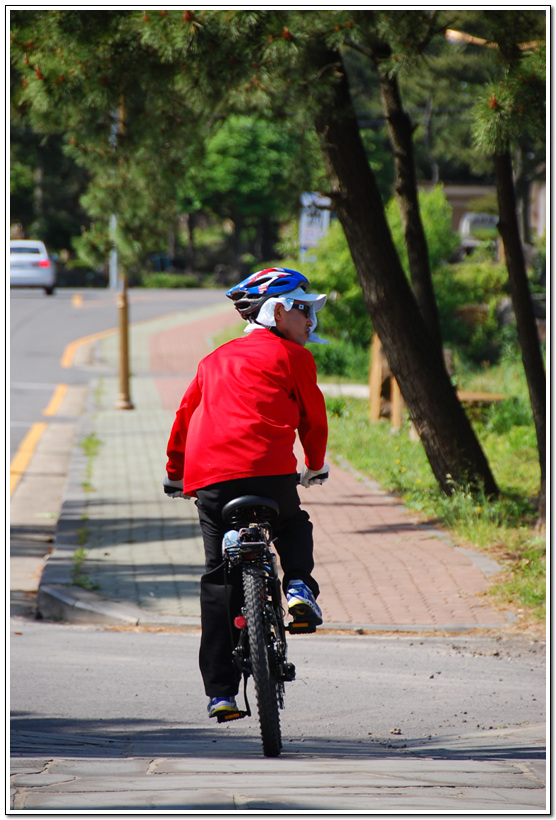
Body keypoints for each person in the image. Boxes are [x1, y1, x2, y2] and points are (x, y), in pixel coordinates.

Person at [163, 267, 329, 719]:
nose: (310, 320)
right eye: (302, 309)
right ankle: (297, 586)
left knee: (219, 579)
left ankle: (221, 693)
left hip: (211, 484)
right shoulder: (293, 357)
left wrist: (175, 474)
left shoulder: (211, 361)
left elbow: (183, 419)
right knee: (293, 522)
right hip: (270, 477)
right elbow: (312, 419)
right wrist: (314, 467)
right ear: (277, 312)